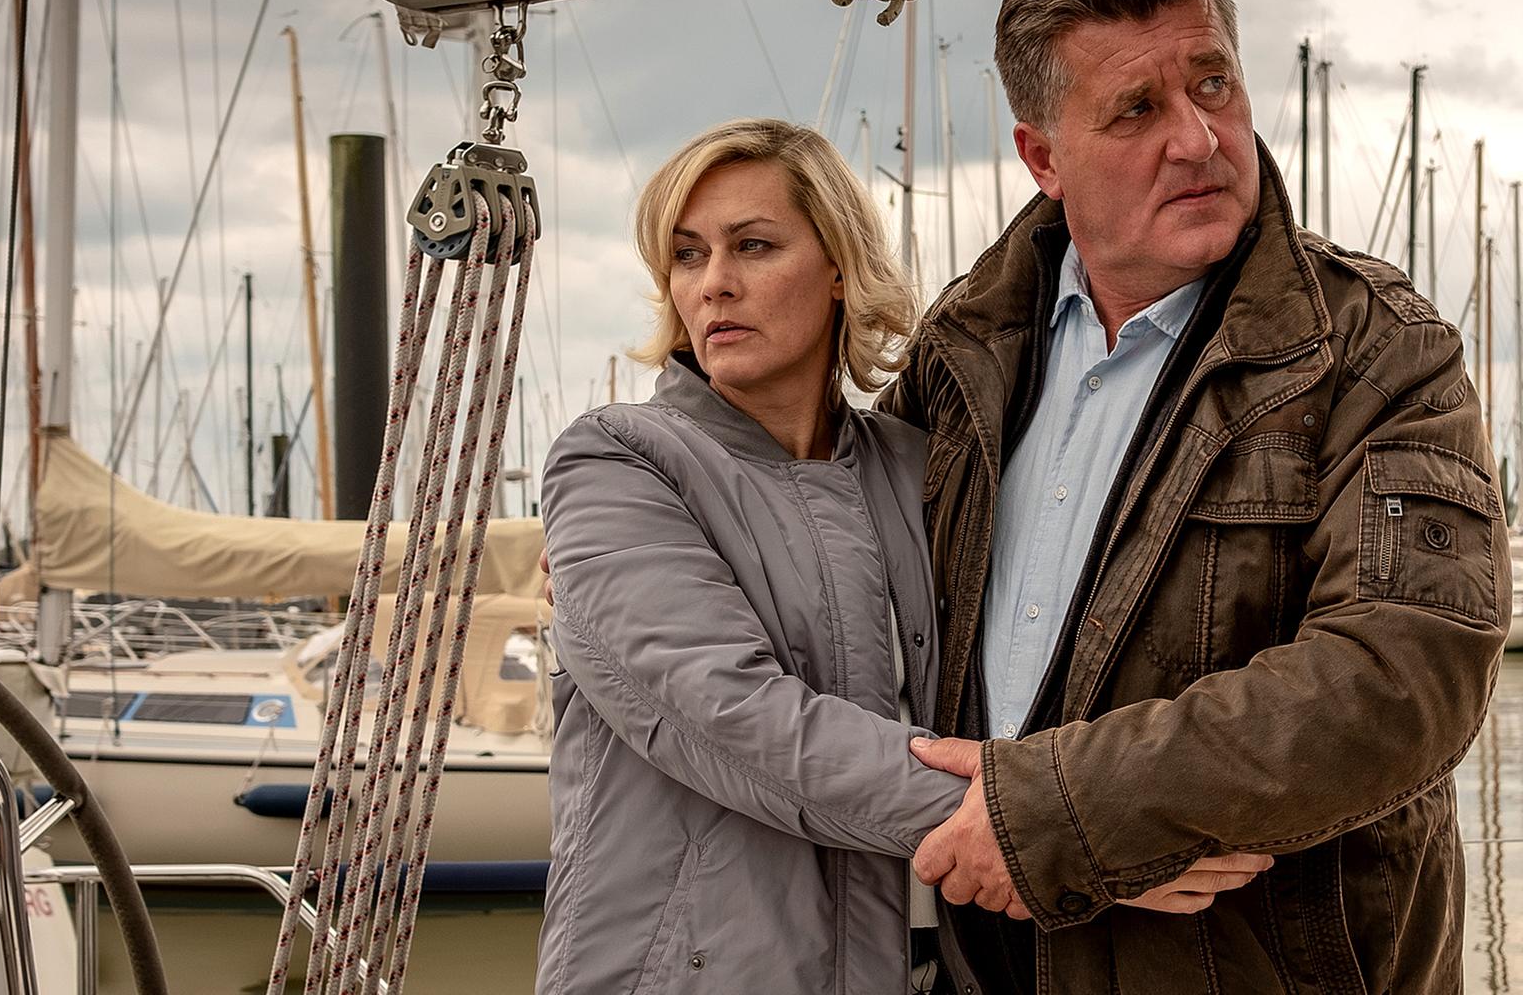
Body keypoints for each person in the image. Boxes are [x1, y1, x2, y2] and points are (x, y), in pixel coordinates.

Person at [880, 0, 1509, 994]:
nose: (1200, 138)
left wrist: (1069, 817)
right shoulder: (960, 358)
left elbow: (1399, 680)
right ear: (1043, 159)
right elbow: (835, 588)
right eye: (1137, 108)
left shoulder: (1376, 348)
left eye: (1212, 84)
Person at [536, 118, 1261, 995]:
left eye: (753, 246)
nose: (715, 284)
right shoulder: (616, 460)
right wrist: (1064, 830)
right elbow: (732, 718)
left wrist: (1134, 798)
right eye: (687, 257)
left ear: (839, 266)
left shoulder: (919, 469)